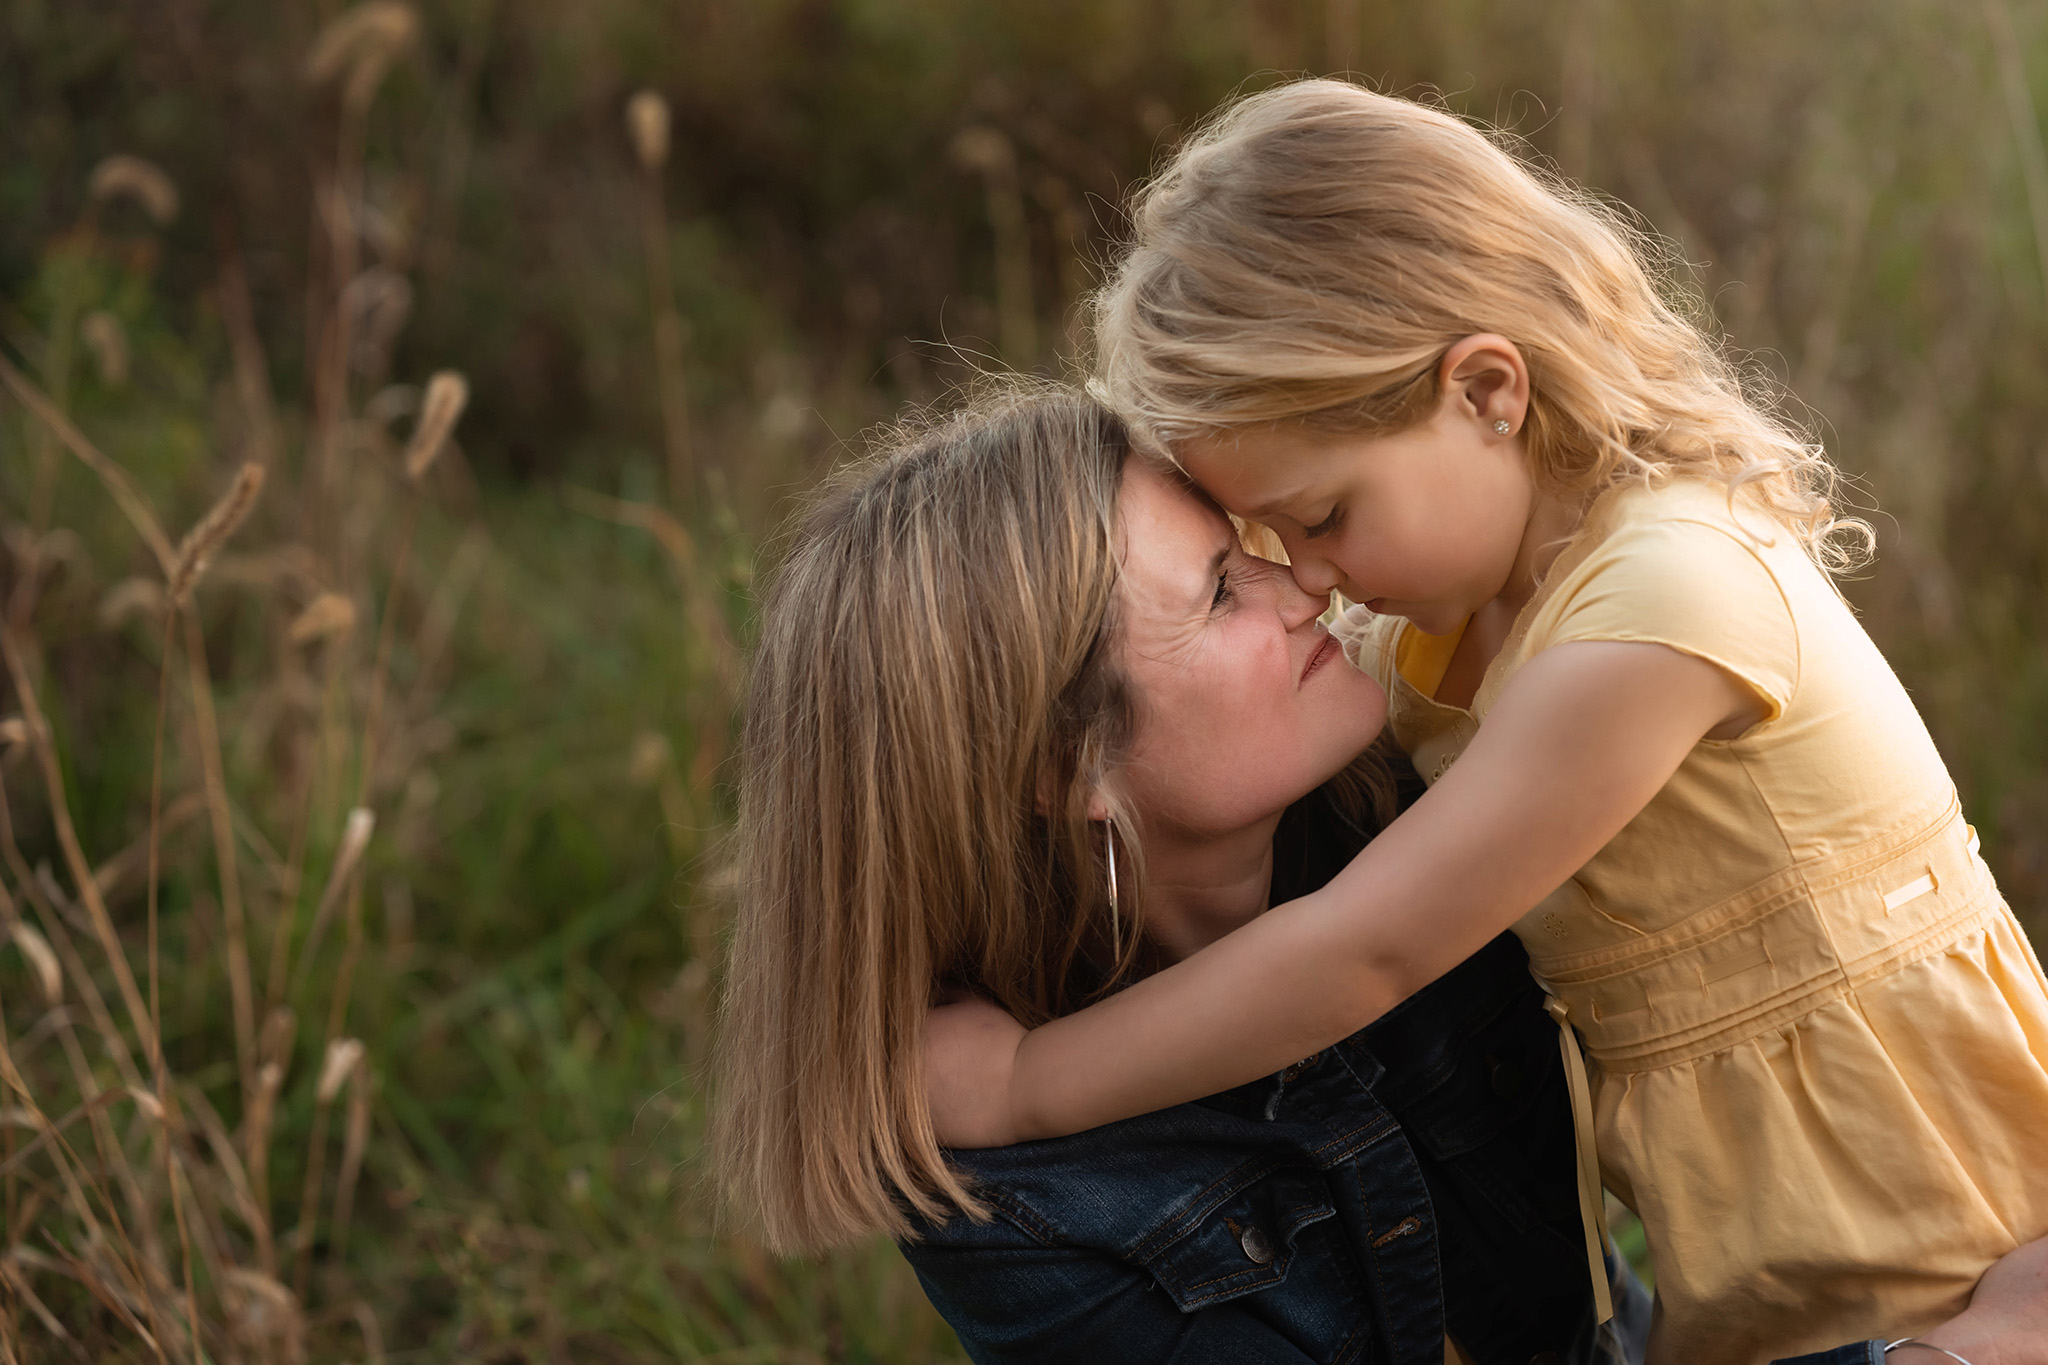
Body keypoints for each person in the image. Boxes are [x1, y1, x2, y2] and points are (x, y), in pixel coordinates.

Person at [921, 82, 2048, 1365]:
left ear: (1487, 392)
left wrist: (1028, 1086)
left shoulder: (1662, 603)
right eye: (1261, 541)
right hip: (1750, 1261)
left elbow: (1362, 950)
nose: (1308, 576)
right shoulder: (1437, 636)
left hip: (1947, 1231)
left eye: (1323, 516)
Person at [708, 383, 2040, 1365]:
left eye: (1265, 541)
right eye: (1222, 591)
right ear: (1063, 768)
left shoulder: (1424, 804)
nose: (1300, 588)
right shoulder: (1019, 1195)